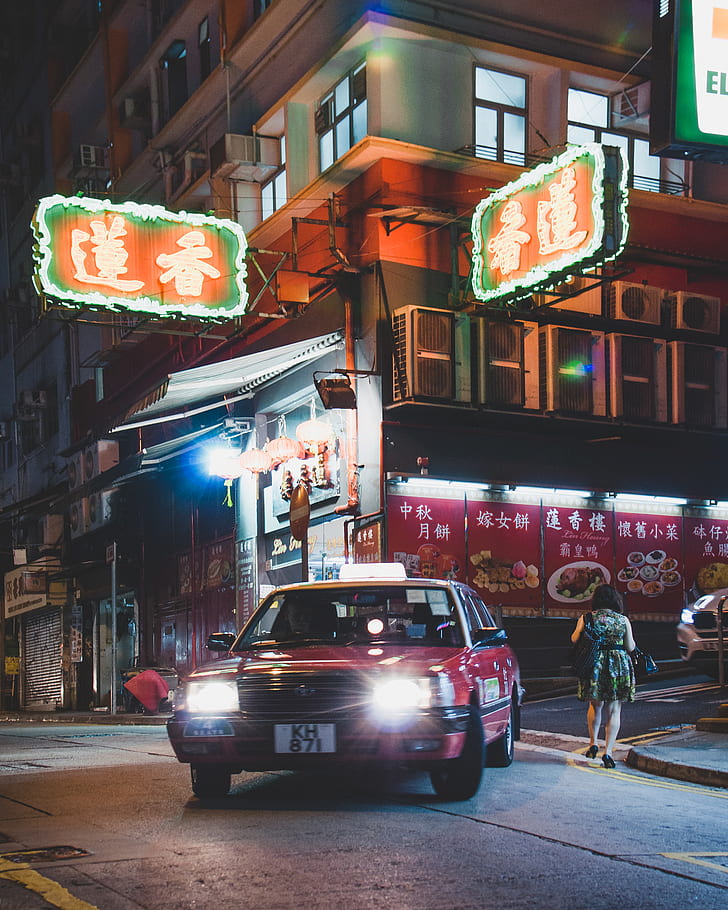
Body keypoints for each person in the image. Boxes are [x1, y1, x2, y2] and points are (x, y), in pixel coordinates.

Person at [570, 583, 636, 769]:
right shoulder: (623, 620)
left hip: (595, 664)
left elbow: (574, 639)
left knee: (595, 705)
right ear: (616, 600)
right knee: (614, 709)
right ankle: (608, 753)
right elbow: (630, 647)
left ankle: (593, 744)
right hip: (618, 665)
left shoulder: (587, 618)